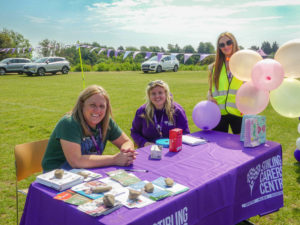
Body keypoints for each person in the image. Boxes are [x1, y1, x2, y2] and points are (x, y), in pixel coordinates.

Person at [42, 85, 137, 172]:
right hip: (57, 176)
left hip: (85, 172)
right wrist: (114, 159)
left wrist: (126, 153)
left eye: (102, 106)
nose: (97, 110)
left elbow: (126, 142)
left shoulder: (106, 121)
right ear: (82, 104)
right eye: (93, 105)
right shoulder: (69, 123)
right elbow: (76, 161)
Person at [131, 80, 190, 148]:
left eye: (160, 92)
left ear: (166, 93)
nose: (157, 96)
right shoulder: (142, 111)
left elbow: (185, 134)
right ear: (149, 96)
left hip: (171, 149)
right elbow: (134, 132)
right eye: (153, 93)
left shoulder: (177, 110)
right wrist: (144, 143)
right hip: (149, 149)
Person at [207, 32, 243, 134]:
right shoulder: (213, 67)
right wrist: (209, 97)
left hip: (239, 112)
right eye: (222, 45)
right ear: (219, 48)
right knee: (218, 148)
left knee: (242, 147)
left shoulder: (244, 63)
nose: (226, 46)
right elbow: (210, 89)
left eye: (228, 42)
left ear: (234, 43)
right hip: (219, 113)